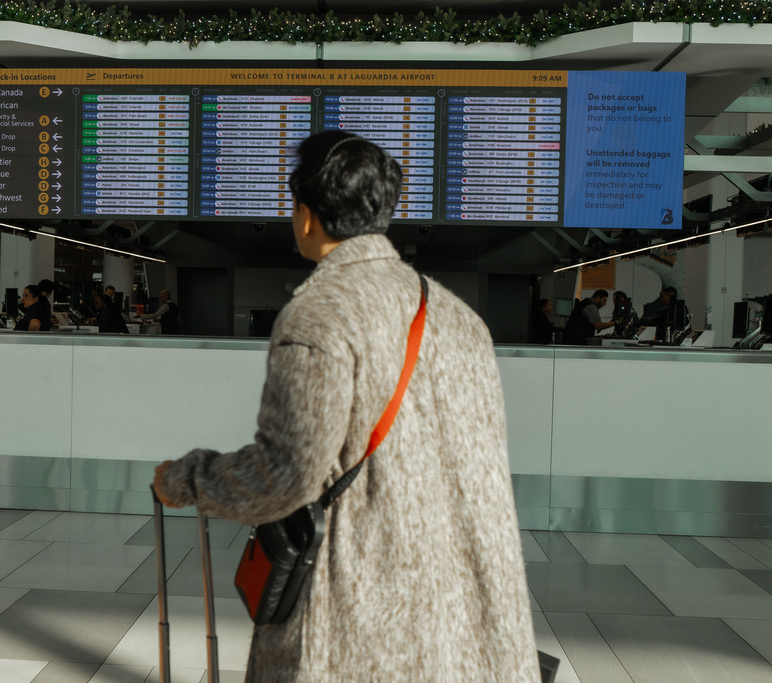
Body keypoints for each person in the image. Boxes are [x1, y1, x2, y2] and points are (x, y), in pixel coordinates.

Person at [152, 131, 538, 682]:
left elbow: (287, 474)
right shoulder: (461, 319)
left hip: (364, 617)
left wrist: (188, 478)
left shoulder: (318, 316)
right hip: (465, 614)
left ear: (306, 216)